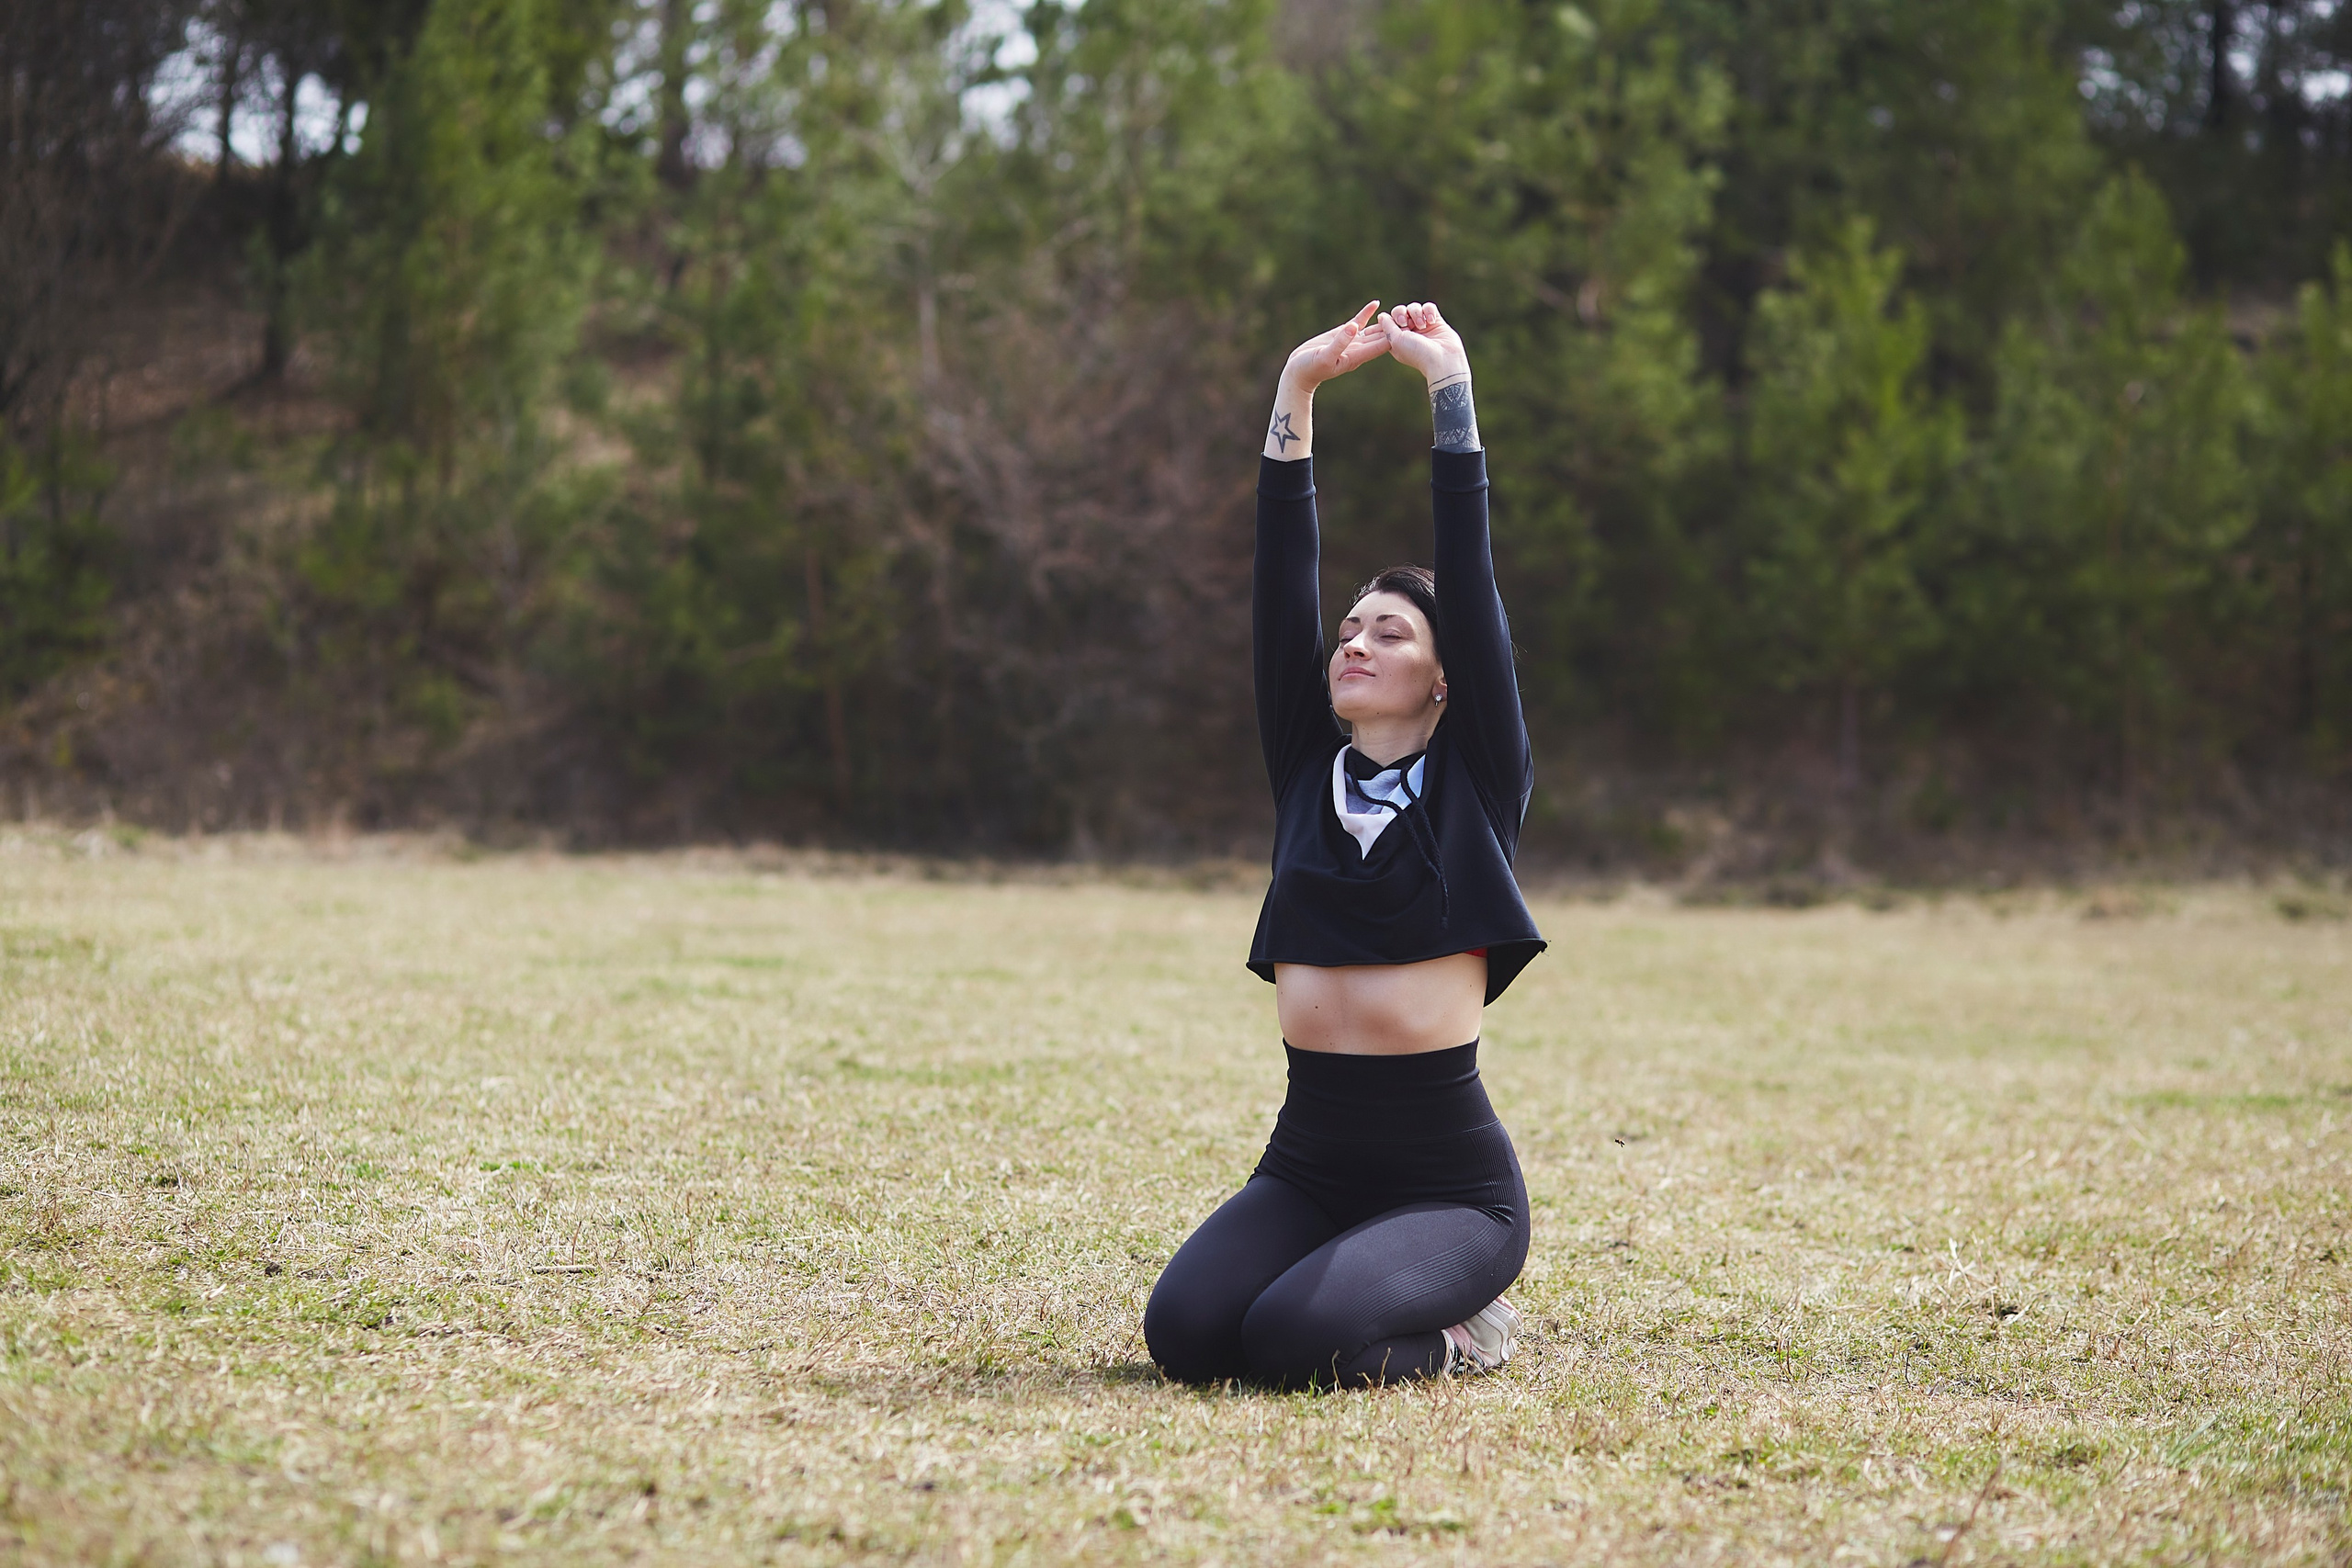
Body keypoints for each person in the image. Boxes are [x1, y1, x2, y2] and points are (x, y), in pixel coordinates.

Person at [1143, 300, 1547, 1388]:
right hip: (1309, 1170)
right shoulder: (1303, 775)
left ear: (1446, 676)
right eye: (1348, 630)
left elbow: (1469, 573)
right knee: (1186, 1338)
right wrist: (1296, 390)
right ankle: (1350, 1272)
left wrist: (1449, 392)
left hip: (1449, 1192)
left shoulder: (1476, 781)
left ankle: (1467, 1329)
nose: (1354, 643)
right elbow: (1280, 581)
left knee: (1291, 1343)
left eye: (1390, 632)